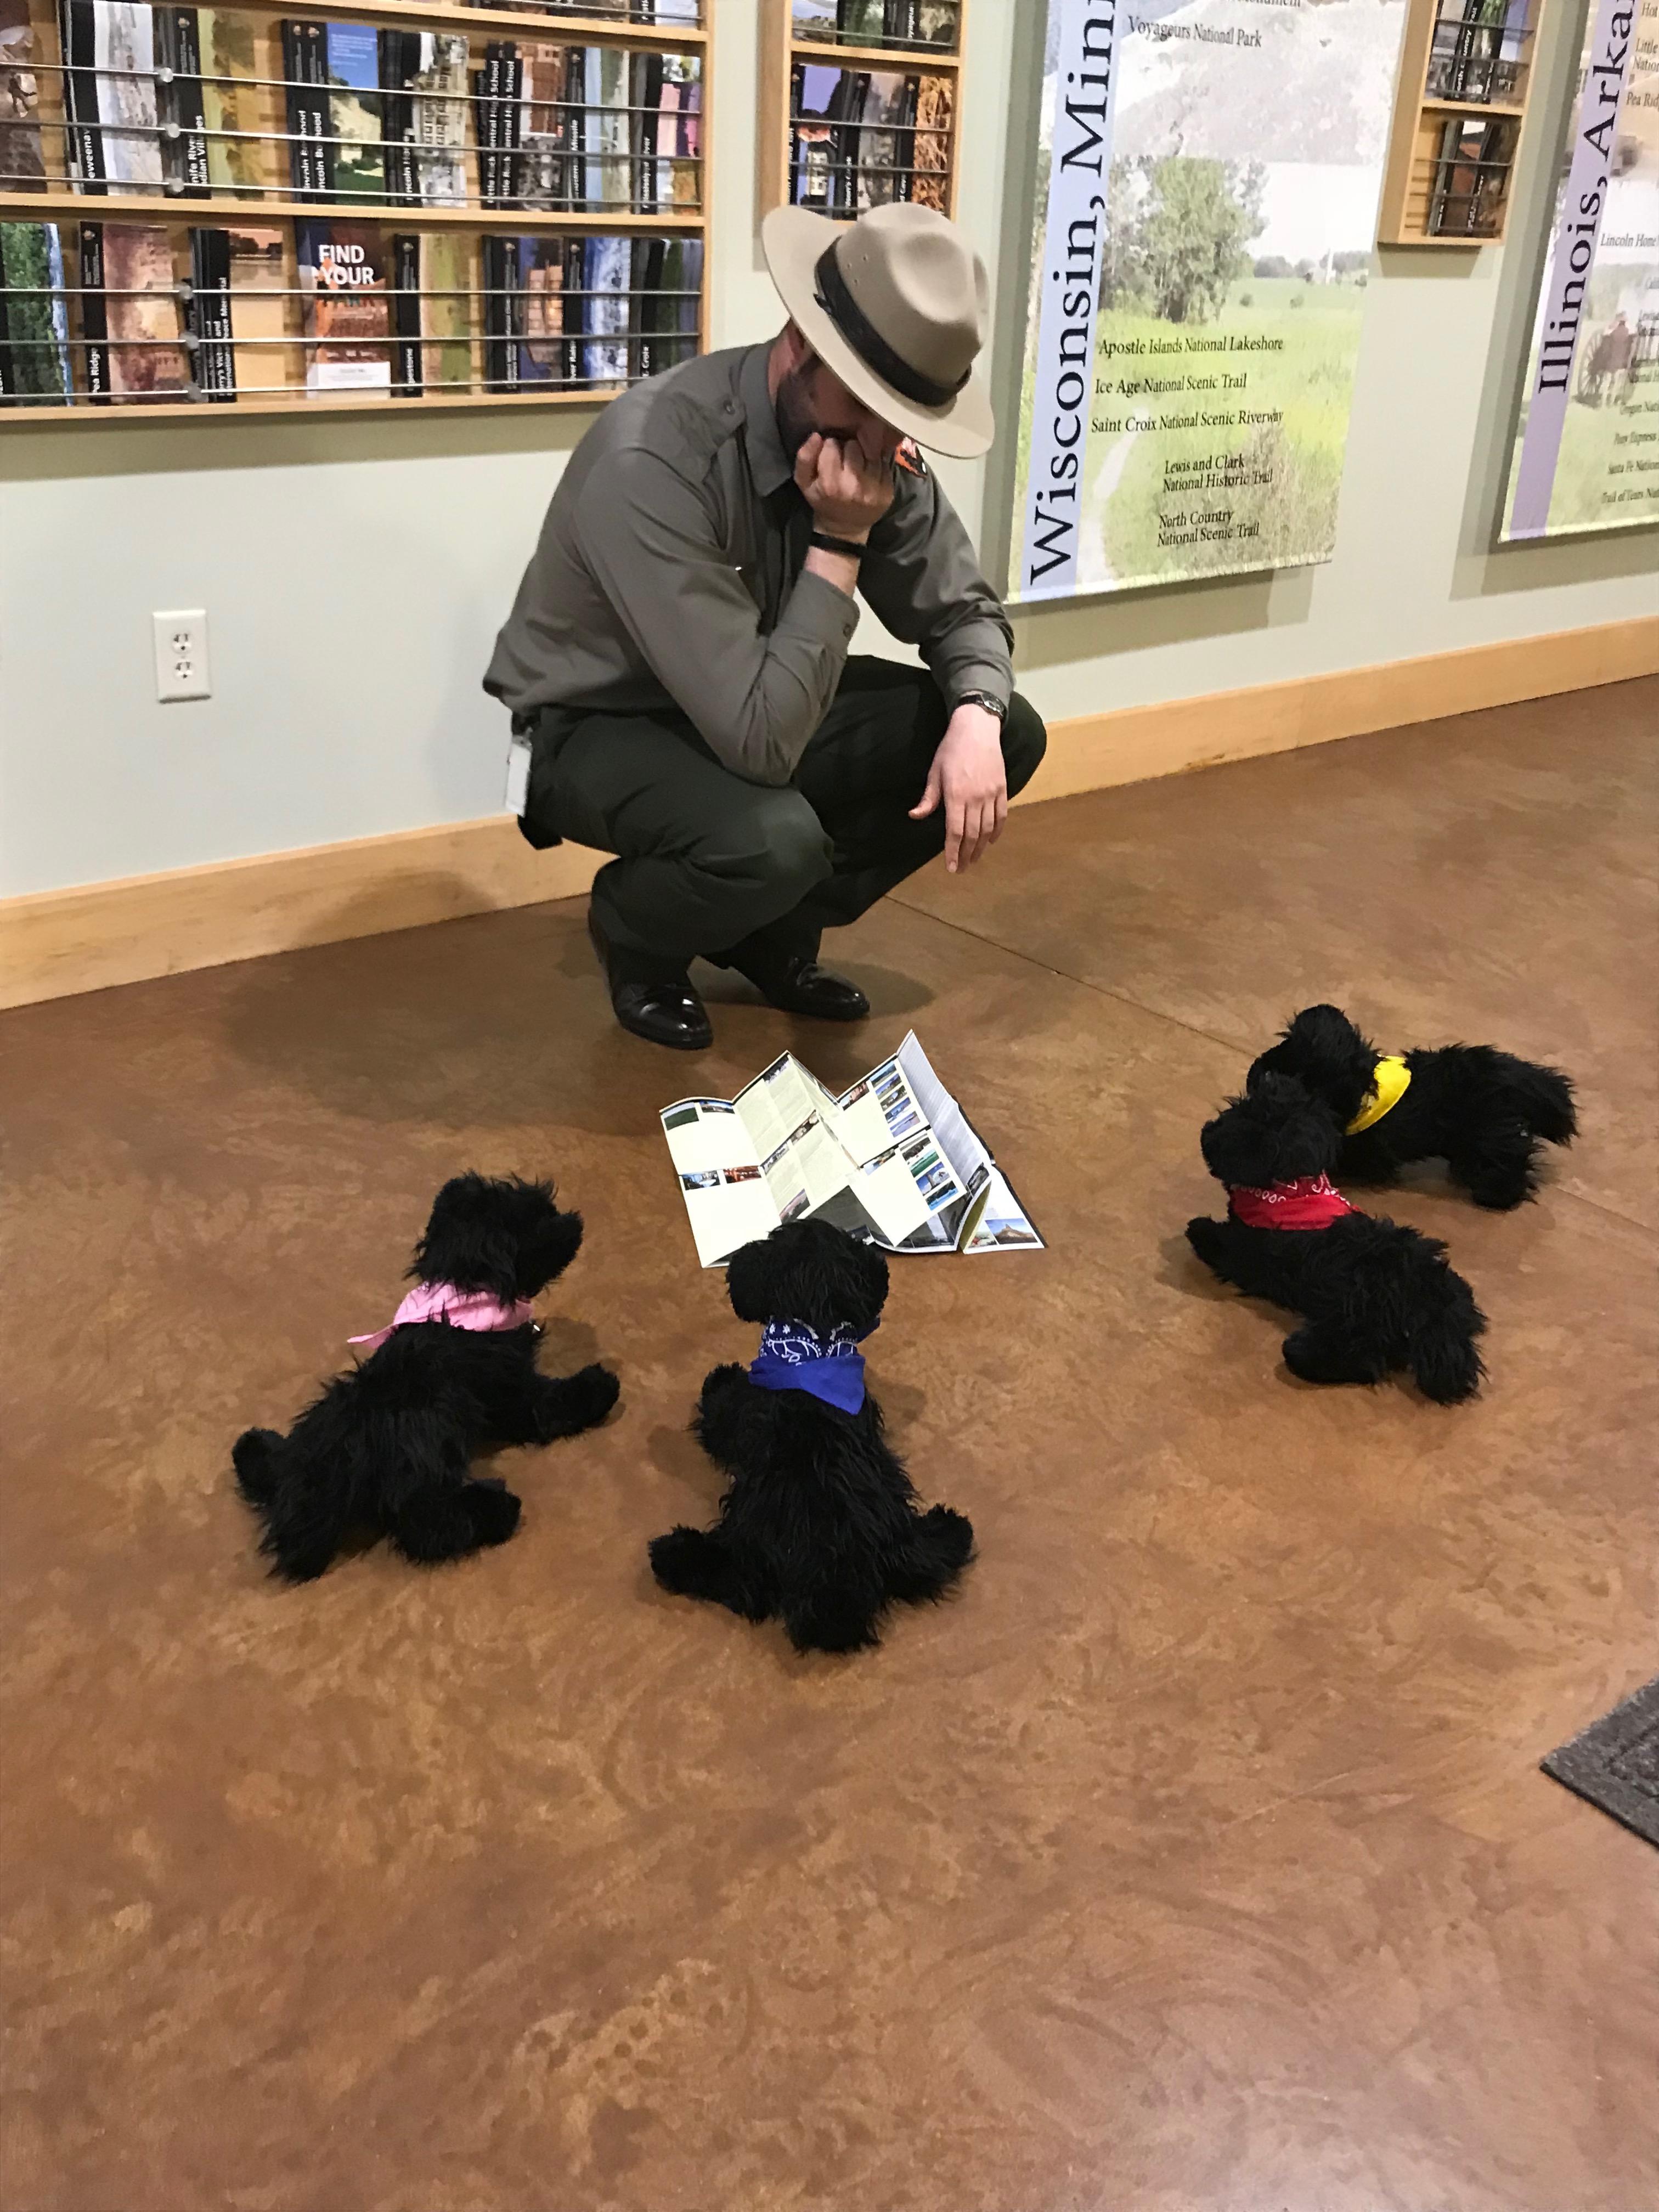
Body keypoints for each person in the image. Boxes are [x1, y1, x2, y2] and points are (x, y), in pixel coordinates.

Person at [485, 200, 1047, 1050]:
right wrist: (841, 538)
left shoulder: (869, 440)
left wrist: (976, 714)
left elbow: (964, 611)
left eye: (903, 420)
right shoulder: (654, 461)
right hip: (594, 721)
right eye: (860, 405)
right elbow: (761, 744)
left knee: (1005, 731)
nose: (877, 444)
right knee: (772, 840)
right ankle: (636, 929)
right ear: (800, 342)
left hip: (755, 691)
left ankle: (764, 931)